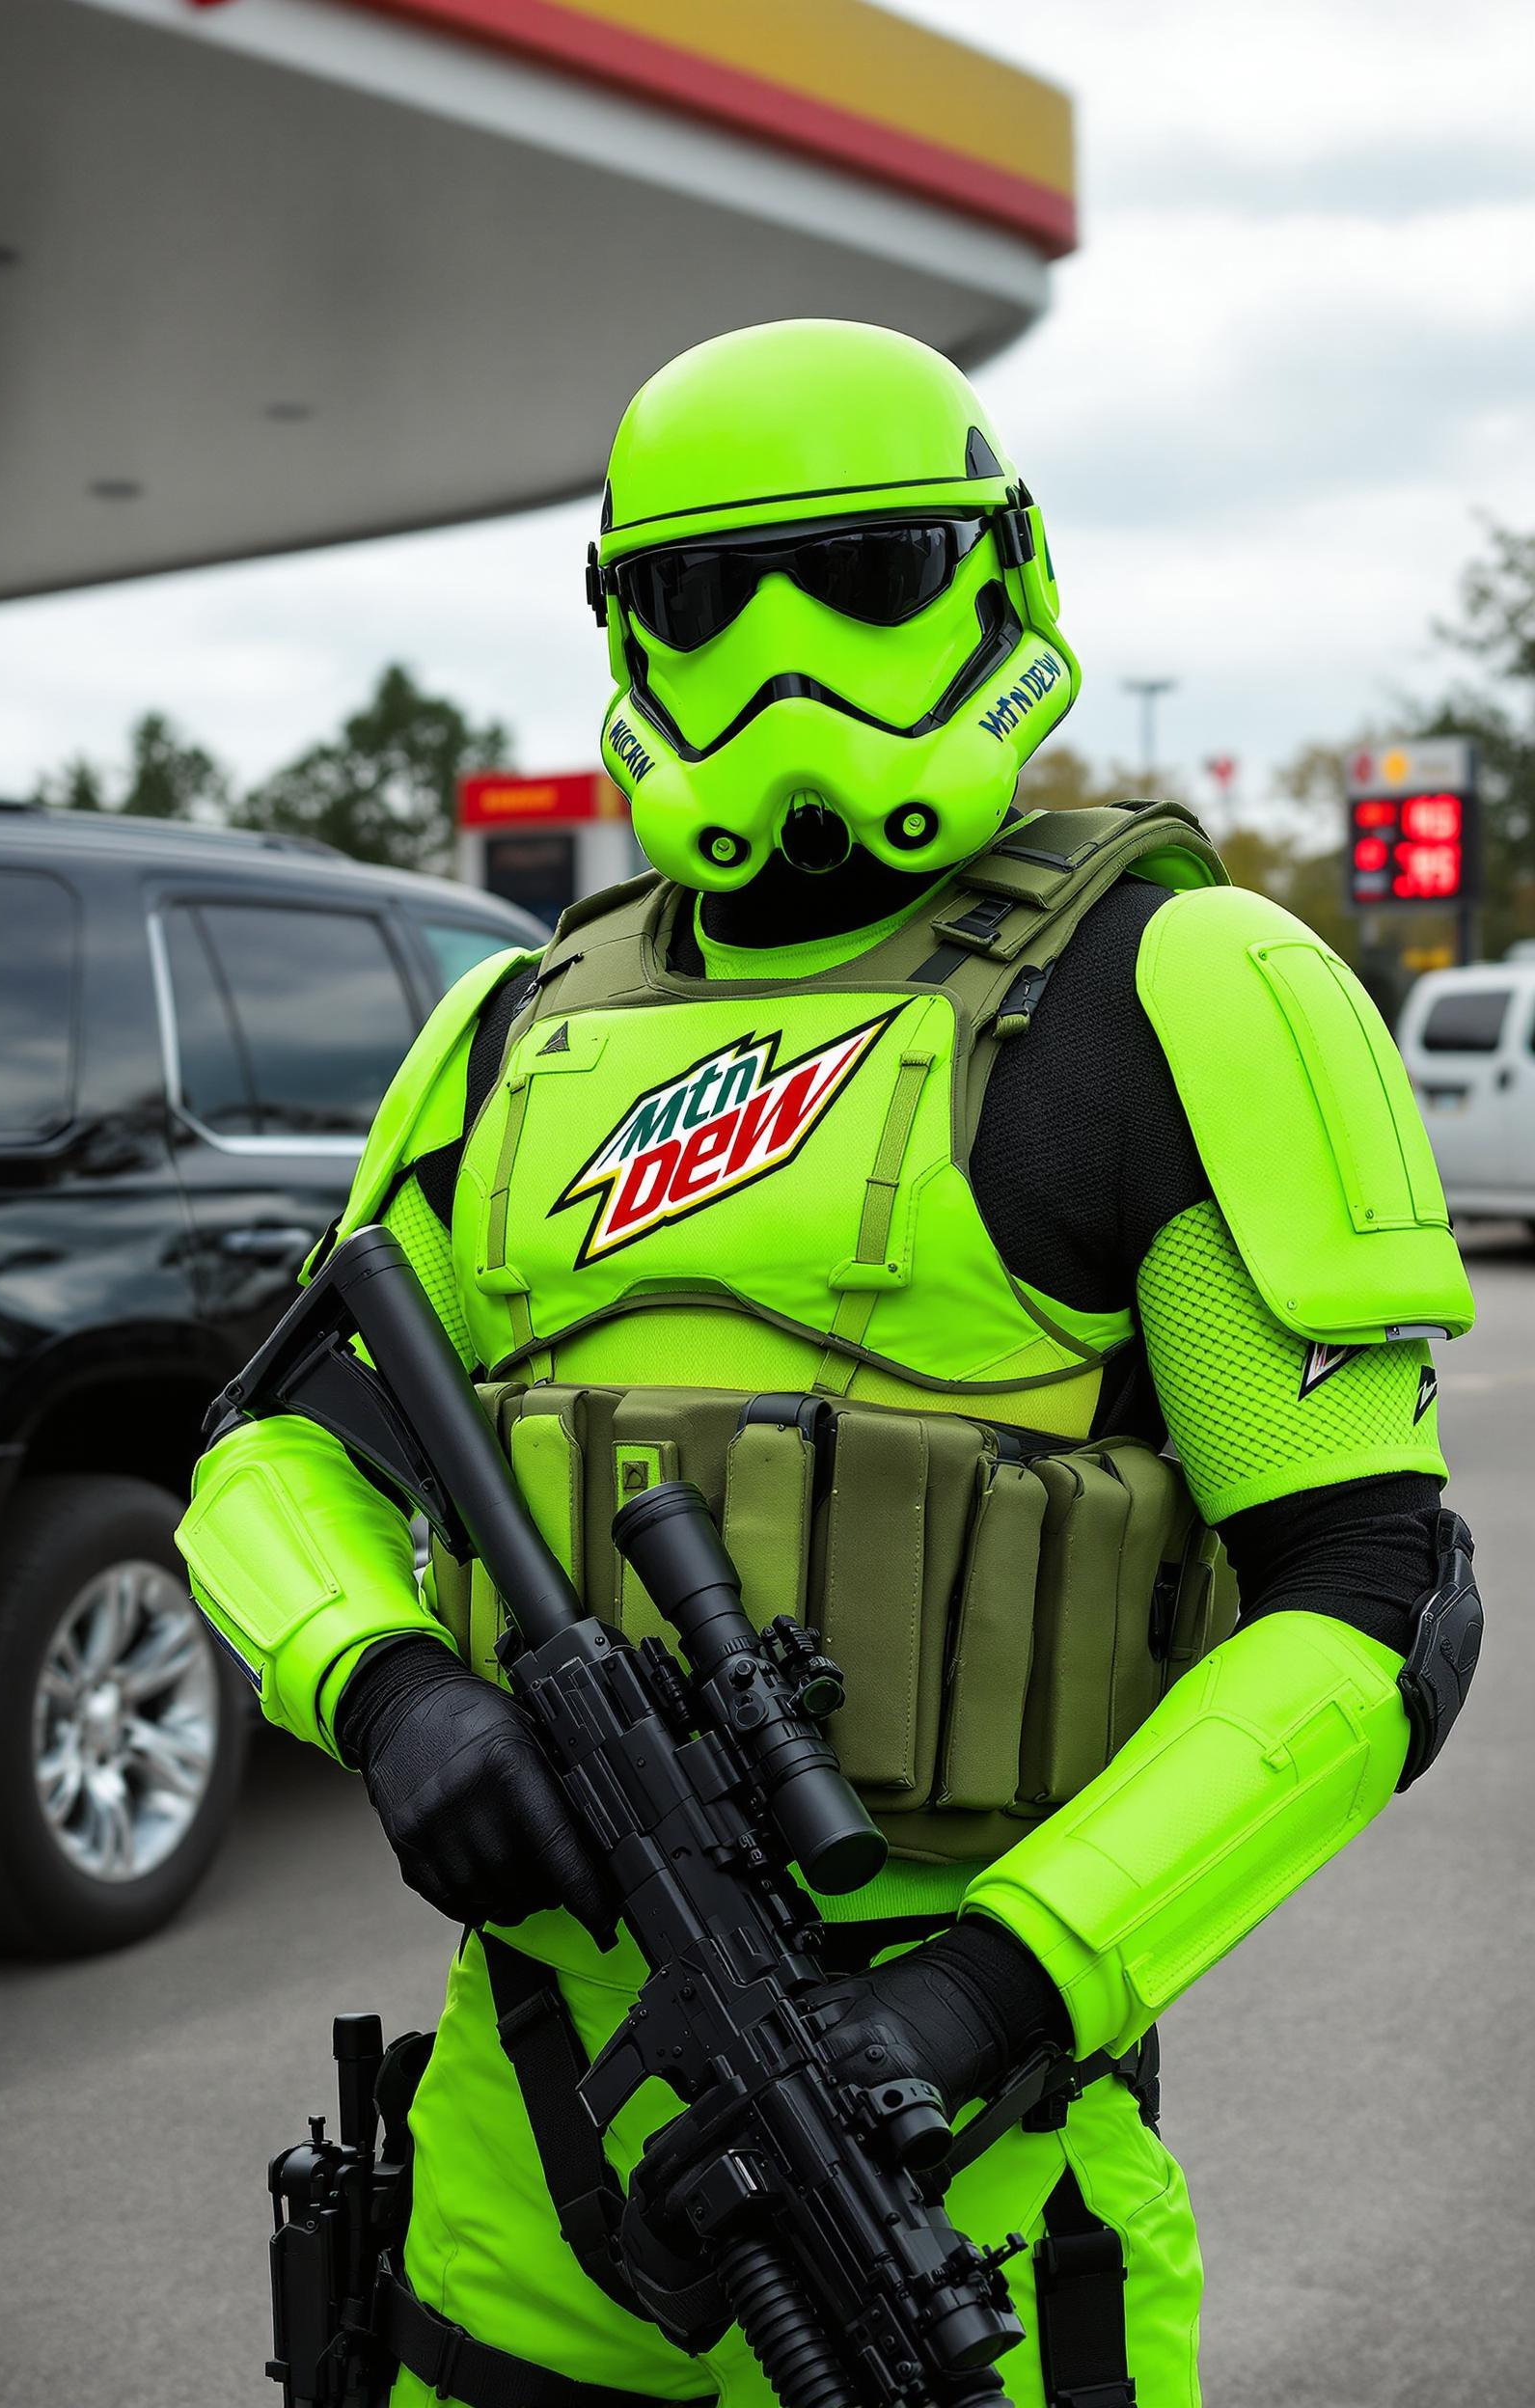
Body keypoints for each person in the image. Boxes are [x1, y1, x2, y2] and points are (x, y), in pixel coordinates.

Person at [178, 319, 1481, 2408]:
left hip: (957, 2147)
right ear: (629, 626)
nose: (787, 660)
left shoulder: (1174, 992)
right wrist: (387, 1684)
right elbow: (279, 1459)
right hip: (527, 2115)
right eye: (710, 595)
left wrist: (994, 1990)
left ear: (995, 576)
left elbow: (1372, 1602)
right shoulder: (515, 1030)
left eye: (867, 574)